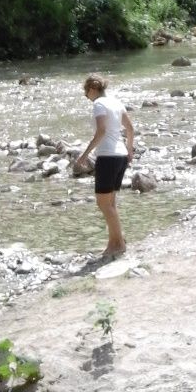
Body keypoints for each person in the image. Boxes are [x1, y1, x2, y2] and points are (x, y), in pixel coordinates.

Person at [75, 73, 135, 259]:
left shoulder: (99, 104)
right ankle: (114, 242)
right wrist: (129, 149)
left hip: (107, 156)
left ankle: (119, 244)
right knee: (110, 203)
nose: (86, 97)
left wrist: (84, 155)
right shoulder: (116, 102)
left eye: (86, 93)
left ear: (92, 89)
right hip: (121, 156)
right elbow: (130, 129)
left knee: (103, 203)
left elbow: (101, 131)